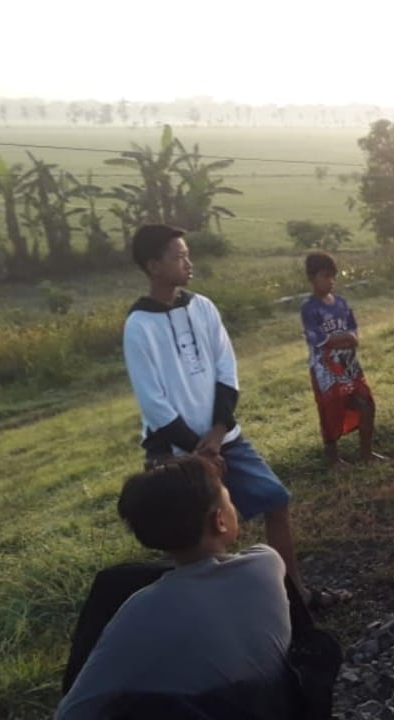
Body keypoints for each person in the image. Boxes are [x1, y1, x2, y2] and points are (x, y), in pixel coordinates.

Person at [122, 224, 346, 609]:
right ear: (153, 265)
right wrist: (197, 448)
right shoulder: (139, 326)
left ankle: (294, 596)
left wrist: (218, 429)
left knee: (275, 499)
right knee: (198, 537)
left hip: (224, 437)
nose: (188, 262)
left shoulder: (203, 307)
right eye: (178, 257)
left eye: (187, 253)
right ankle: (223, 613)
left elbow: (227, 369)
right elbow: (153, 401)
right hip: (175, 452)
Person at [56, 457, 294, 719]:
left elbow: (72, 712)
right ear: (220, 521)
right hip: (282, 705)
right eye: (229, 499)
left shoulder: (139, 611)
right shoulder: (267, 561)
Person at [300, 251, 378, 471]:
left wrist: (344, 339)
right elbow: (318, 339)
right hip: (325, 370)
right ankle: (333, 459)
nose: (331, 281)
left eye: (333, 276)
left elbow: (353, 332)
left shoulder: (341, 303)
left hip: (350, 366)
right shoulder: (309, 308)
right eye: (326, 276)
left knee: (367, 403)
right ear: (312, 277)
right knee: (330, 410)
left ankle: (366, 453)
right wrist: (344, 339)